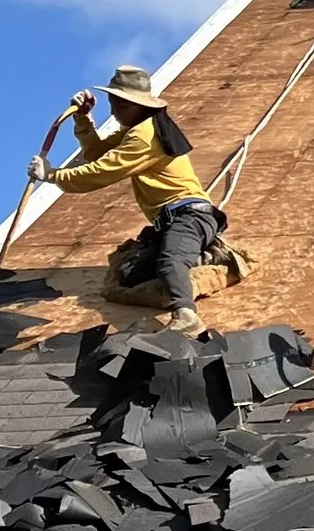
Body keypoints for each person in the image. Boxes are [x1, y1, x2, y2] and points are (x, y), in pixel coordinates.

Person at [32, 65, 228, 337]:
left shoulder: (144, 135)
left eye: (118, 105)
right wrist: (84, 119)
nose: (113, 112)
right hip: (169, 223)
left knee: (170, 262)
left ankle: (187, 315)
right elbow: (97, 153)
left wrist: (52, 175)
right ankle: (193, 258)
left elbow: (101, 171)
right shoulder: (135, 129)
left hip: (190, 216)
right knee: (130, 275)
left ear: (136, 105)